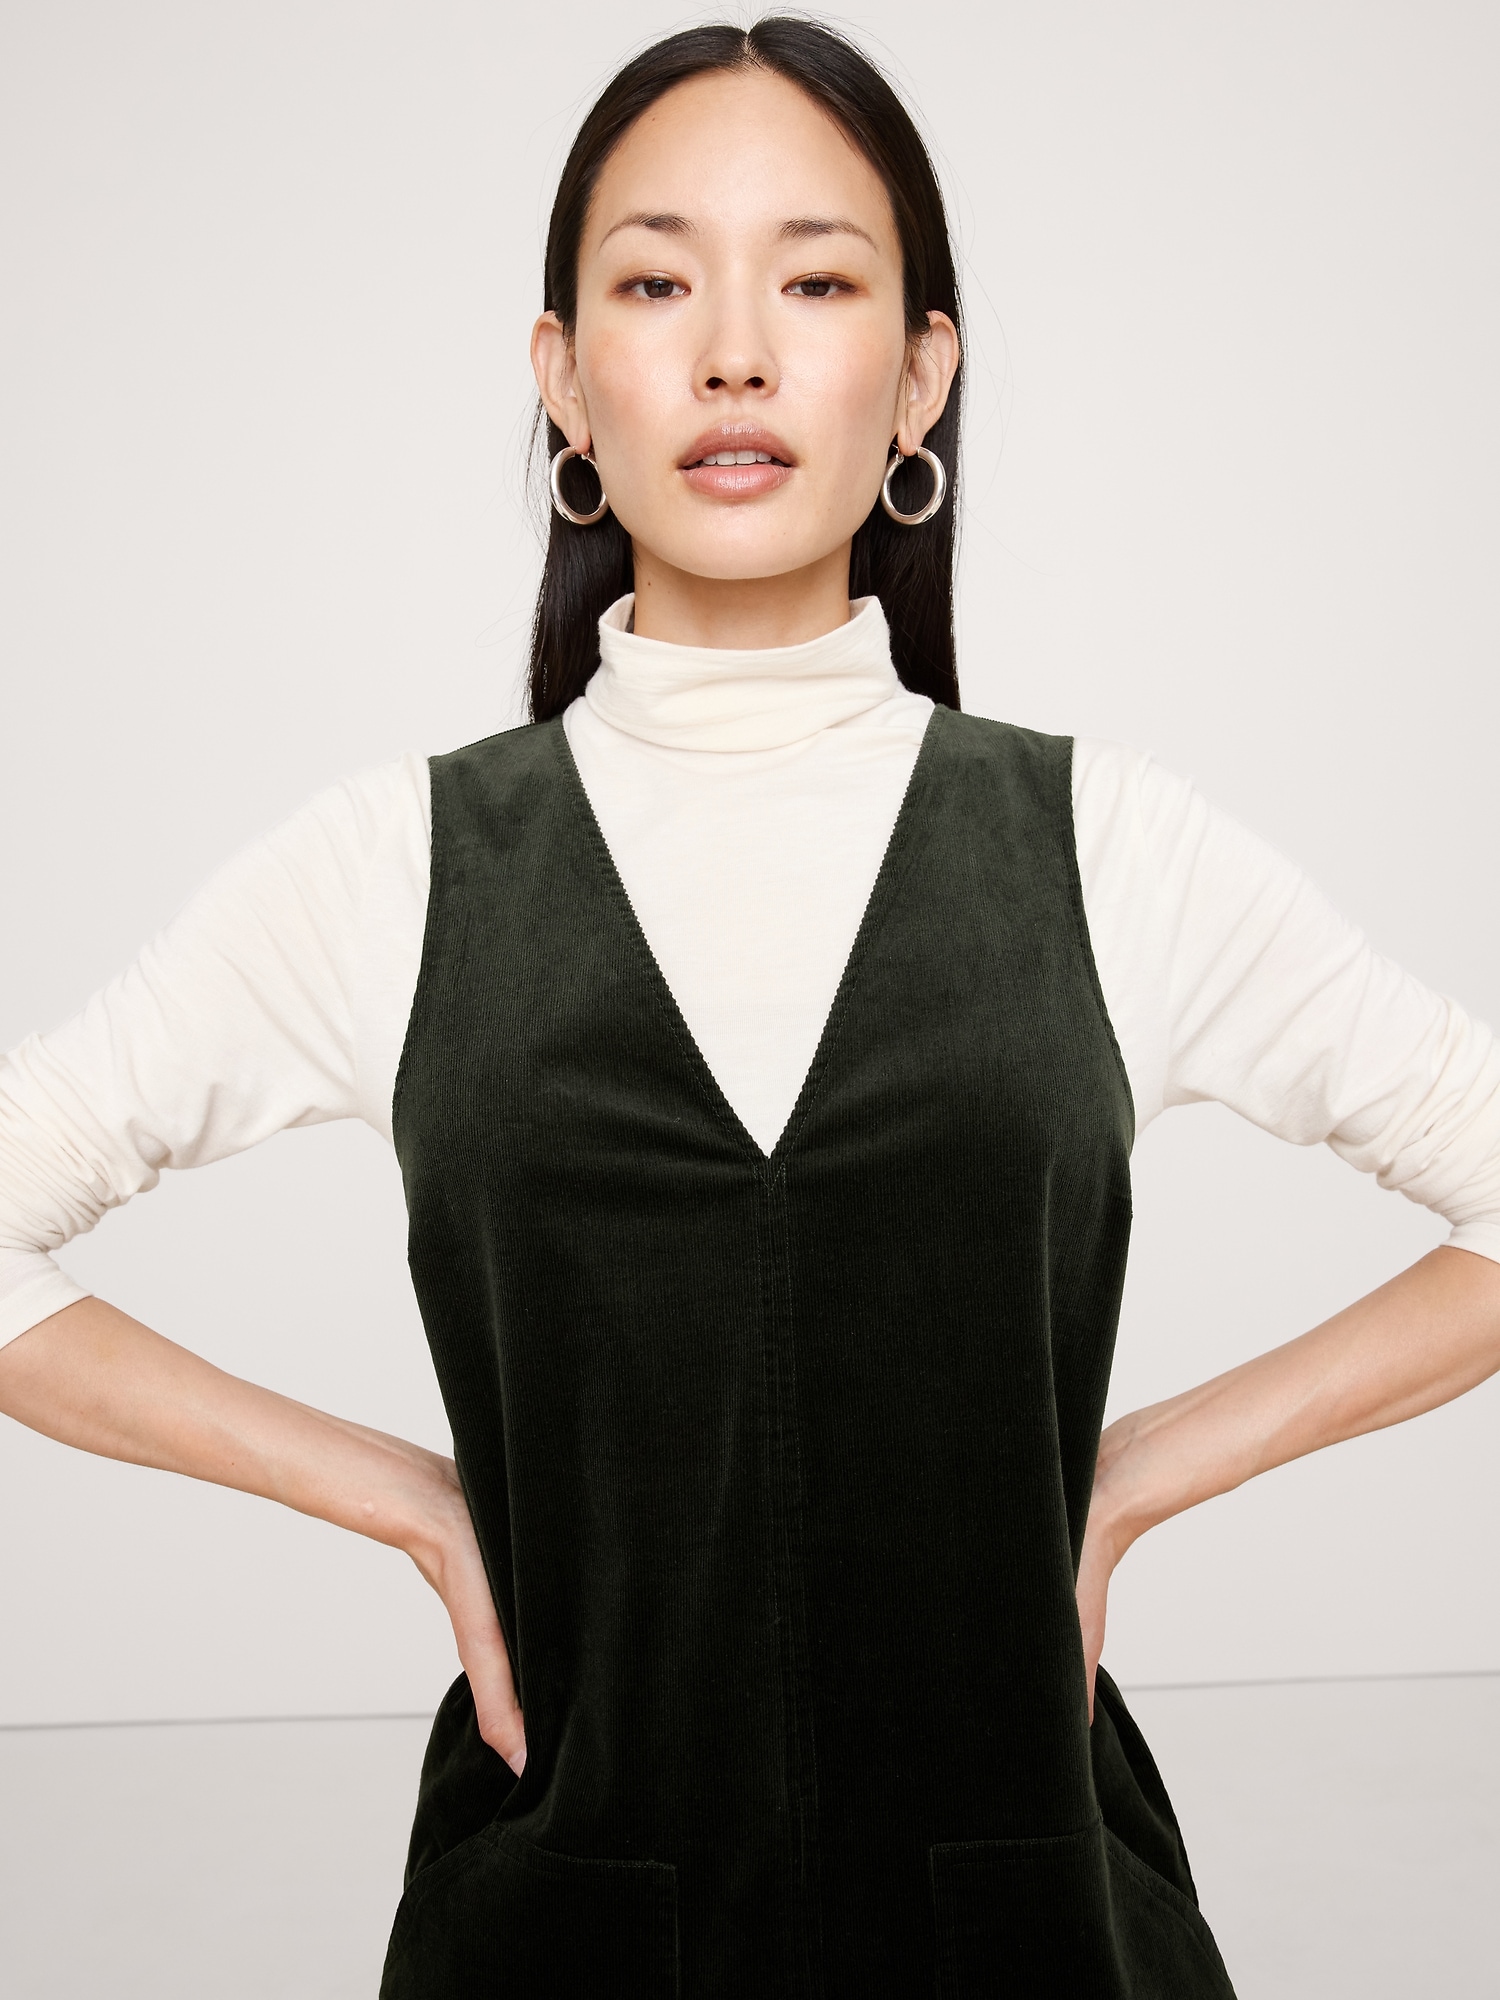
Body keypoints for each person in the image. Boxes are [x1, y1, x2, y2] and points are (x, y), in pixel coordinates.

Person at [1, 17, 1497, 1997]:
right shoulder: (398, 868)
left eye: (815, 281)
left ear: (921, 376)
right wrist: (418, 1505)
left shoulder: (1106, 846)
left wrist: (1131, 1477)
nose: (733, 353)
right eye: (654, 284)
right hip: (565, 1918)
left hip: (1026, 1916)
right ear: (563, 378)